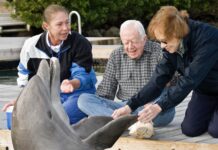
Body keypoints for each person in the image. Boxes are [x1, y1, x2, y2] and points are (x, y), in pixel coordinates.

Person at [113, 6, 218, 138]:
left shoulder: (207, 38)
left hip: (204, 81)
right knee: (189, 129)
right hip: (206, 91)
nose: (162, 46)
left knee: (215, 131)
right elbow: (158, 79)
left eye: (164, 41)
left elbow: (190, 79)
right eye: (159, 41)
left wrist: (159, 106)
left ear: (176, 33)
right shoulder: (171, 45)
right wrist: (130, 106)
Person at [2, 4, 97, 124]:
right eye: (59, 24)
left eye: (67, 23)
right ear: (46, 26)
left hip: (77, 94)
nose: (65, 28)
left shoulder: (80, 43)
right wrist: (22, 100)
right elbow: (24, 76)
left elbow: (83, 76)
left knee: (58, 119)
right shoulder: (31, 46)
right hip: (45, 96)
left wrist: (72, 84)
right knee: (13, 120)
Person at [78, 20, 175, 127]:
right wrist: (95, 108)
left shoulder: (159, 52)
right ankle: (124, 122)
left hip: (154, 106)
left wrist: (156, 103)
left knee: (165, 112)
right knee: (83, 100)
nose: (130, 46)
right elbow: (105, 93)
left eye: (134, 41)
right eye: (126, 42)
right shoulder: (116, 56)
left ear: (144, 39)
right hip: (125, 107)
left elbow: (176, 84)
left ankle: (118, 123)